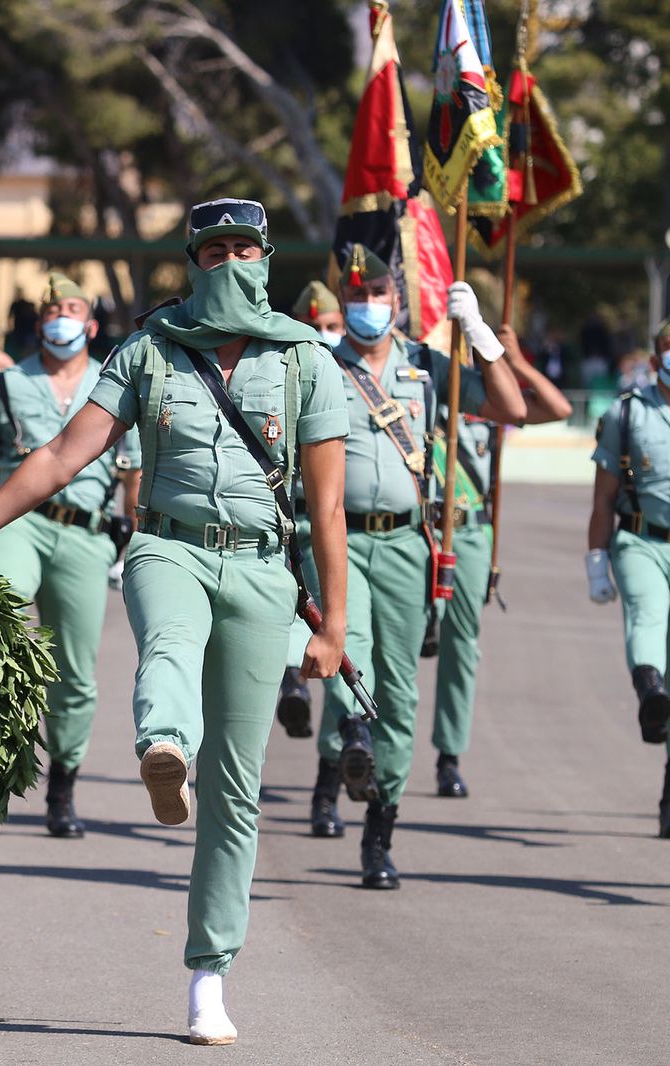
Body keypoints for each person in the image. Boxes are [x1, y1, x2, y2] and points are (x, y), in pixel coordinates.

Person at [0, 199, 350, 1045]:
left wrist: (334, 628)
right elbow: (67, 454)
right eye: (213, 250)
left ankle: (210, 975)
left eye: (244, 248)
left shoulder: (304, 360)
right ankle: (161, 749)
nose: (230, 262)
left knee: (238, 788)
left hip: (260, 567)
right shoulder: (150, 349)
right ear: (193, 260)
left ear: (266, 256)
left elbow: (327, 509)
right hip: (168, 546)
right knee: (168, 646)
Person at [300, 245, 524, 883]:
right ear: (343, 303)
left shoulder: (429, 368)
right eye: (358, 295)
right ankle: (352, 734)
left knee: (399, 688)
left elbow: (510, 409)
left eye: (379, 295)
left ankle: (380, 830)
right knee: (353, 646)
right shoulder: (315, 367)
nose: (369, 305)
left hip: (406, 542)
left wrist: (479, 336)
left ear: (398, 302)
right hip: (336, 536)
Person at [0, 272, 135, 836]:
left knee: (75, 672)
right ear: (38, 322)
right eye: (51, 311)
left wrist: (134, 542)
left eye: (72, 309)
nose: (61, 319)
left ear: (91, 324)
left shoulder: (116, 382)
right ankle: (1, 732)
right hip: (18, 525)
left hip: (86, 534)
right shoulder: (7, 382)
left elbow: (134, 472)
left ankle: (63, 782)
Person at [425, 319, 571, 797]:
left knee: (461, 646)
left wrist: (516, 361)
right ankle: (367, 740)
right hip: (420, 529)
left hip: (470, 534)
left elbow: (557, 408)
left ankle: (449, 754)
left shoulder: (489, 402)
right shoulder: (420, 394)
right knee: (397, 642)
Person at [588, 318, 670, 839]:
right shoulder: (629, 410)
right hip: (641, 537)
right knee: (646, 610)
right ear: (658, 357)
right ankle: (648, 686)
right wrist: (596, 556)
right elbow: (603, 493)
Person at [274, 280, 345, 734]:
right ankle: (290, 683)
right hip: (284, 514)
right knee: (280, 606)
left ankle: (349, 727)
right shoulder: (285, 370)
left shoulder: (362, 378)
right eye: (314, 325)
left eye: (332, 325)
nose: (323, 333)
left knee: (336, 618)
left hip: (336, 519)